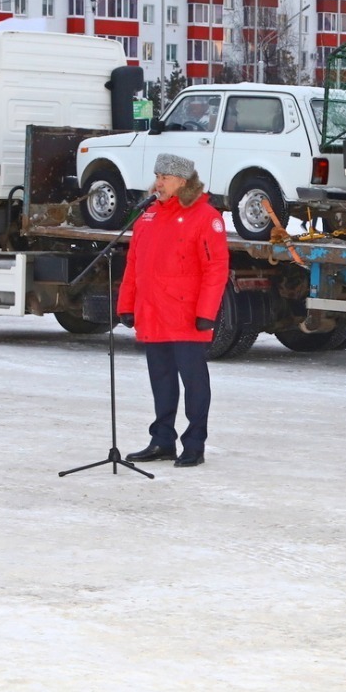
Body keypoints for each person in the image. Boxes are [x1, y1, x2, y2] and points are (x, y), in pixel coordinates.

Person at [119, 152, 230, 468]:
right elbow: (133, 264)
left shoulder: (206, 217)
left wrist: (206, 312)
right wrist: (127, 304)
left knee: (194, 384)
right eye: (157, 177)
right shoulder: (149, 216)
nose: (158, 184)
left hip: (187, 318)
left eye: (164, 178)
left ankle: (194, 444)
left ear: (182, 181)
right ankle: (162, 440)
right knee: (162, 380)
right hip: (153, 314)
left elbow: (216, 268)